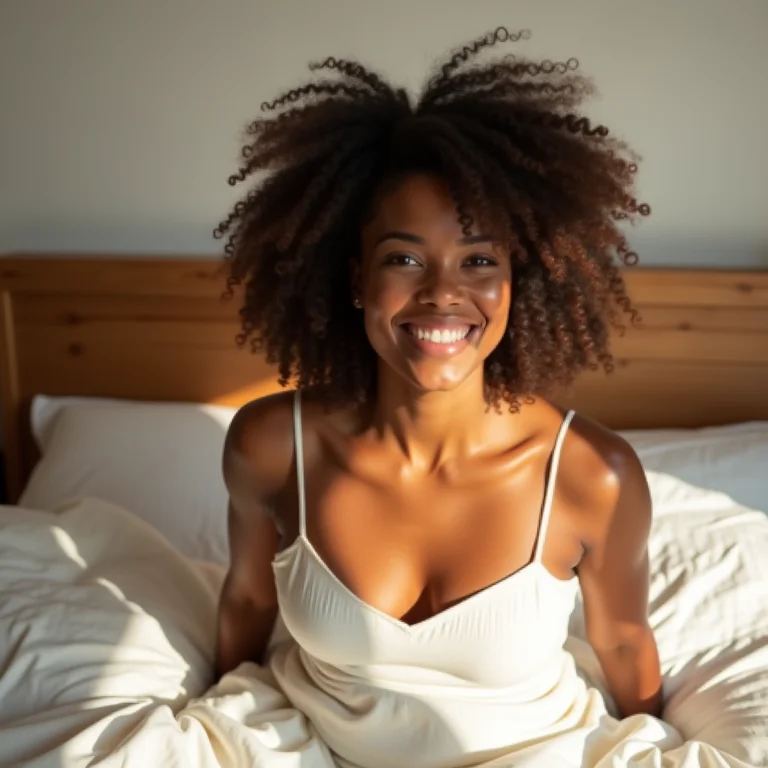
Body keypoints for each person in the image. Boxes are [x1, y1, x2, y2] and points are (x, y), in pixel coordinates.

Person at [214, 27, 665, 768]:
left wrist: (665, 734)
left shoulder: (592, 475)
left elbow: (621, 639)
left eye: (479, 259)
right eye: (404, 258)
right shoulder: (271, 445)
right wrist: (205, 703)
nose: (443, 294)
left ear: (523, 280)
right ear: (357, 277)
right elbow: (247, 602)